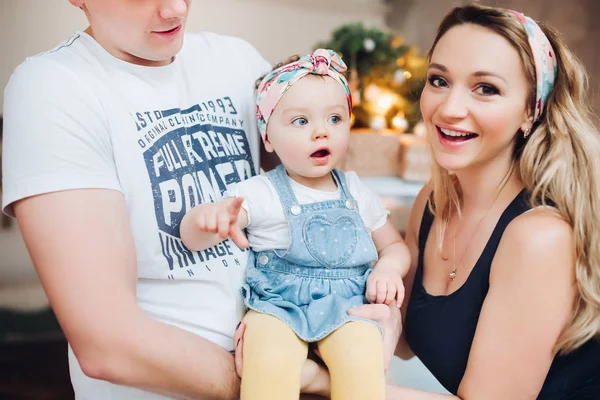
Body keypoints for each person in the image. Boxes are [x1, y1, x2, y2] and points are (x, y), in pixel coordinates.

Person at [2, 1, 389, 398]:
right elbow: (107, 344)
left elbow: (320, 188)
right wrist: (296, 380)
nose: (174, 10)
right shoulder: (54, 88)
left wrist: (367, 327)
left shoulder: (235, 60)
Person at [387, 3, 600, 399]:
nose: (449, 109)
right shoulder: (434, 203)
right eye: (439, 80)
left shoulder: (538, 237)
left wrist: (327, 384)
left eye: (486, 88)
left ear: (528, 111)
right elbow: (398, 340)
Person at [180, 49, 411, 400]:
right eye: (301, 122)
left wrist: (389, 269)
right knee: (268, 359)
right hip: (279, 306)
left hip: (346, 305)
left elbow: (394, 245)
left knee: (364, 357)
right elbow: (195, 239)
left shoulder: (357, 191)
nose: (321, 133)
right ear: (268, 138)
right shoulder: (261, 192)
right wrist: (205, 220)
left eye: (334, 119)